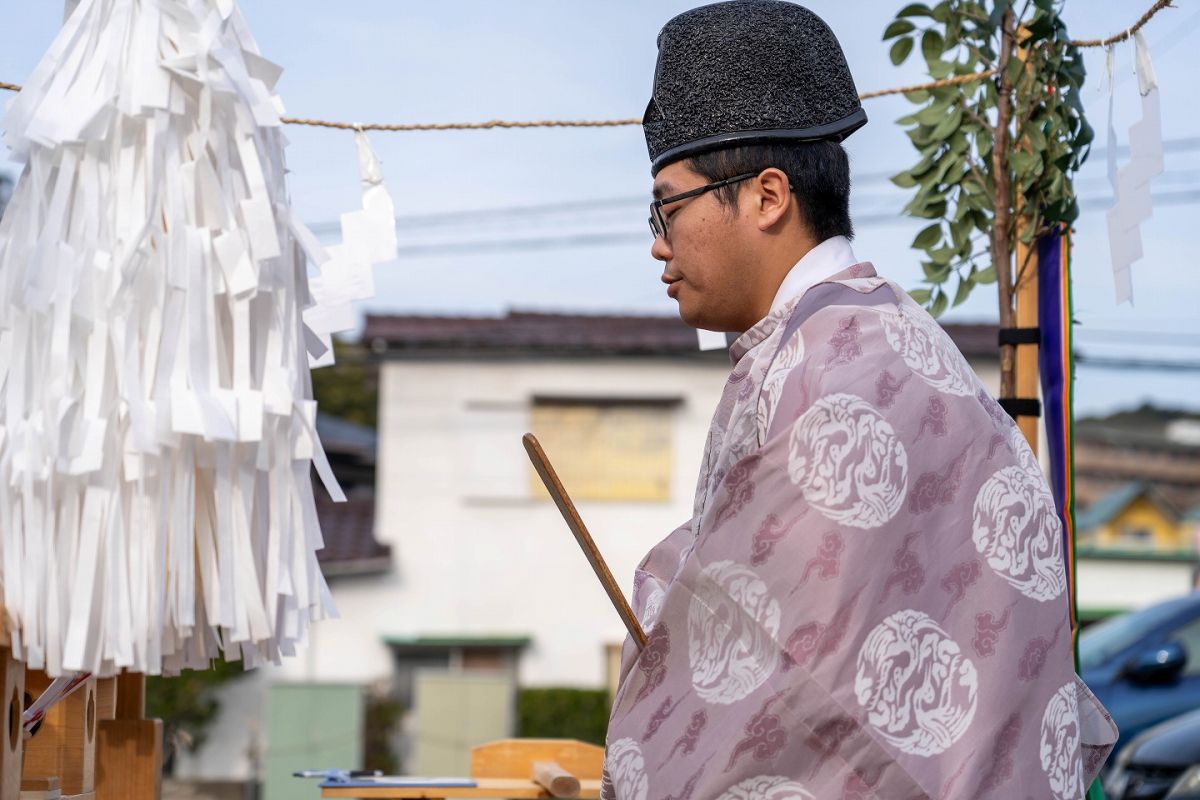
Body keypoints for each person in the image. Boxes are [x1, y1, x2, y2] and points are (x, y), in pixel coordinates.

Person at [601, 2, 1117, 798]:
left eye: (668, 208)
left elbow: (778, 685)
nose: (658, 243)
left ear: (768, 197)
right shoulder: (874, 340)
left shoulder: (829, 375)